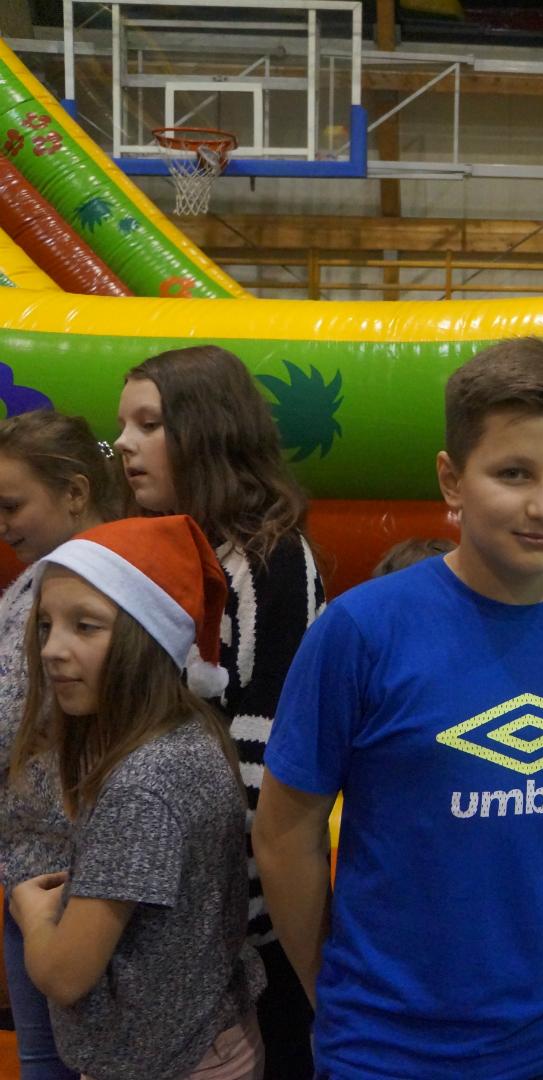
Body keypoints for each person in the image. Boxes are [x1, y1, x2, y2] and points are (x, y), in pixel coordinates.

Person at [254, 339, 543, 1079]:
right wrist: (335, 997)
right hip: (393, 1049)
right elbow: (286, 833)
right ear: (452, 479)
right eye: (514, 473)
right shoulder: (360, 633)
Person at [113, 344, 324, 1079]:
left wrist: (233, 912)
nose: (125, 444)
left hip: (235, 899)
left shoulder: (270, 558)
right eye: (123, 426)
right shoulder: (160, 548)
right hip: (170, 877)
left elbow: (267, 744)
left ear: (208, 431)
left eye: (149, 425)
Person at [8, 515, 265, 1079]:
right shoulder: (188, 736)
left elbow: (66, 975)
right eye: (46, 624)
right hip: (202, 1042)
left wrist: (32, 914)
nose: (52, 649)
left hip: (169, 1062)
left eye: (86, 626)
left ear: (148, 639)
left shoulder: (143, 787)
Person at [0, 411, 122, 1080]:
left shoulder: (75, 580)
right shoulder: (45, 579)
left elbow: (12, 712)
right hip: (40, 863)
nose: (2, 523)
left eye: (12, 505)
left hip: (59, 872)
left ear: (75, 492)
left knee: (58, 1061)